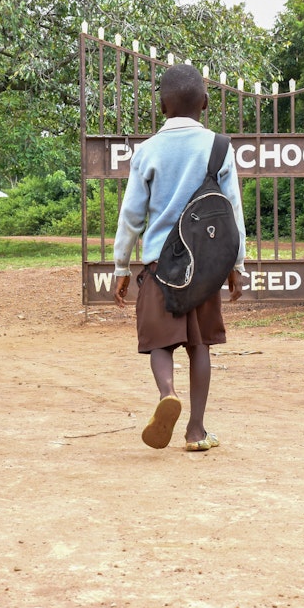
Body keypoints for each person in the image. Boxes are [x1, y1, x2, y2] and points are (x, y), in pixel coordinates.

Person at [113, 63, 247, 452]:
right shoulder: (219, 147)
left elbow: (132, 215)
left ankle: (166, 393)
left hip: (159, 265)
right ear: (205, 103)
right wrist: (236, 265)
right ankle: (196, 430)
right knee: (199, 346)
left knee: (160, 343)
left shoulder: (148, 151)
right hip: (204, 268)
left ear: (161, 106)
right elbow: (232, 210)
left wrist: (122, 265)